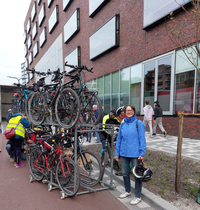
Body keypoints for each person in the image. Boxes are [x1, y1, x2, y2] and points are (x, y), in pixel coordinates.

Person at [115, 105, 146, 205]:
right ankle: (127, 191)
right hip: (124, 153)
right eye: (127, 110)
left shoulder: (138, 123)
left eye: (130, 110)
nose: (128, 112)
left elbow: (142, 139)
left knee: (137, 175)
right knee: (125, 173)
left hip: (135, 154)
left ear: (134, 111)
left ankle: (137, 196)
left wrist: (142, 153)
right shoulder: (122, 124)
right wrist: (117, 153)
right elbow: (119, 139)